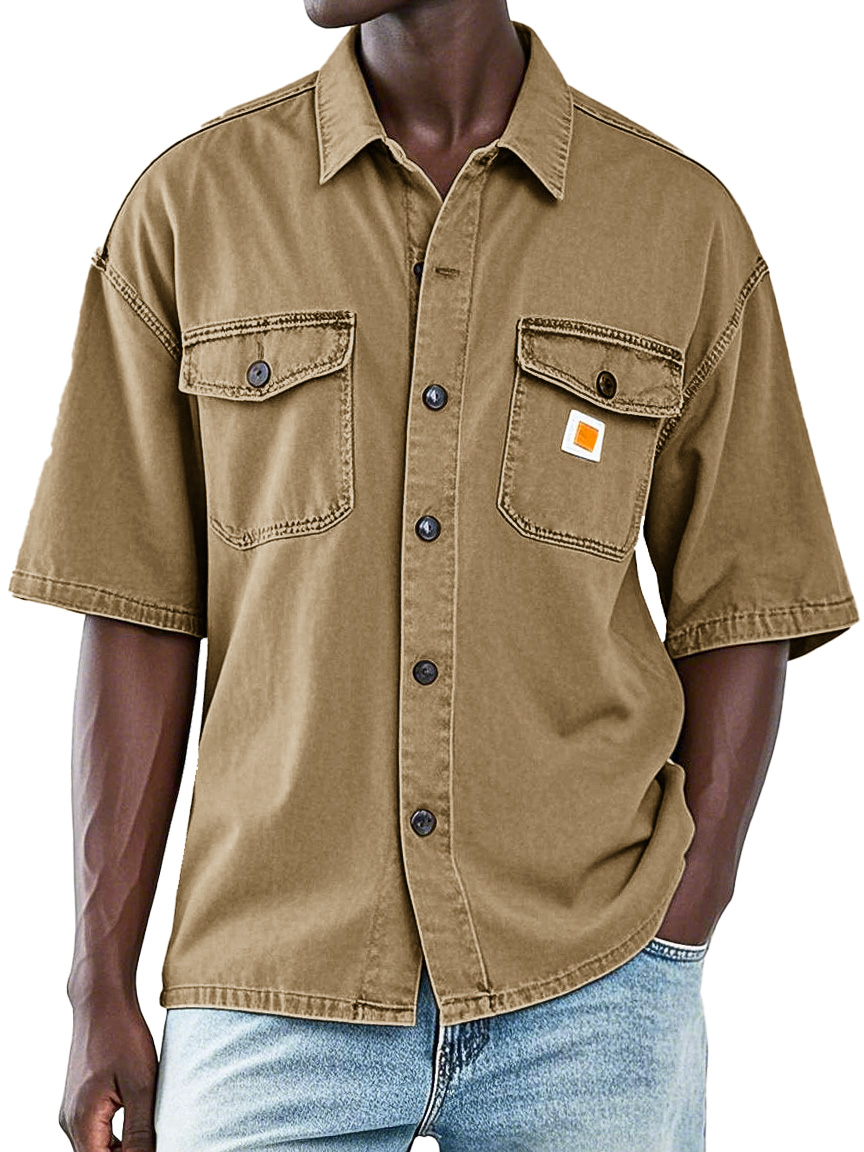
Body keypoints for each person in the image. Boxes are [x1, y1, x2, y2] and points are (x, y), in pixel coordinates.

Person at [8, 1, 858, 1149]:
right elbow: (137, 609)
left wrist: (679, 922)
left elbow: (746, 599)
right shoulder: (191, 207)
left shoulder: (678, 224)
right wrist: (96, 980)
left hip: (591, 989)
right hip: (270, 985)